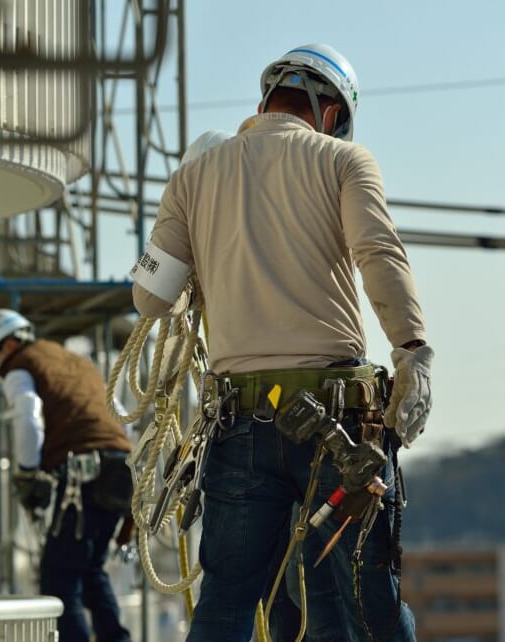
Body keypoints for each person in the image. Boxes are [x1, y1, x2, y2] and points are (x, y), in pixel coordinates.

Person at [130, 43, 433, 642]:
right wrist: (413, 350)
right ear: (330, 113)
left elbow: (149, 298)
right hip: (338, 424)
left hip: (239, 425)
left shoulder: (193, 175)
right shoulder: (344, 160)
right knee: (357, 603)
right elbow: (378, 254)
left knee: (225, 604)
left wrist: (208, 260)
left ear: (265, 100)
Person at [0, 309, 134, 642]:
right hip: (120, 470)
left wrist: (26, 472)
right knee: (91, 572)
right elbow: (122, 415)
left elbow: (28, 417)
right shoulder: (77, 362)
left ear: (7, 344)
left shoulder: (20, 366)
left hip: (83, 475)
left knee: (59, 580)